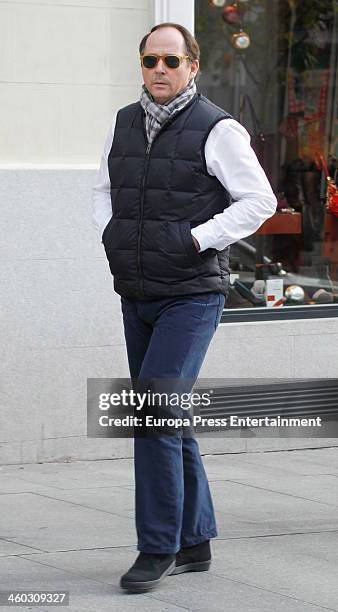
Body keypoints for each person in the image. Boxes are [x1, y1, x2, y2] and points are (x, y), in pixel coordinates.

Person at [92, 22, 277, 593]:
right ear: (142, 66)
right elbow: (105, 190)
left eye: (172, 61)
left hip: (193, 294)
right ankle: (194, 538)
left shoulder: (217, 129)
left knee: (150, 415)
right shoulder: (124, 121)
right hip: (138, 290)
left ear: (193, 66)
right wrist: (112, 236)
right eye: (151, 61)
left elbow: (260, 201)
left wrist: (196, 239)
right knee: (168, 417)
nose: (161, 70)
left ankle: (158, 547)